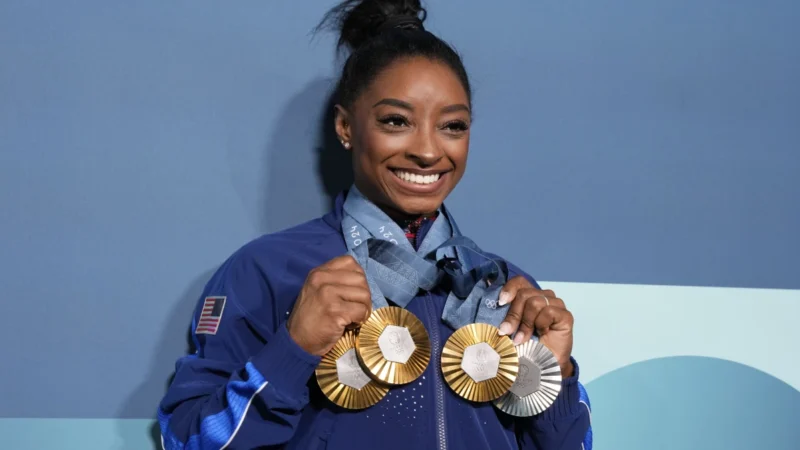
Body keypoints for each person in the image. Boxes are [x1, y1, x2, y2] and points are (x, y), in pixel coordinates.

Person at [157, 0, 592, 448]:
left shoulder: (505, 287)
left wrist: (555, 377)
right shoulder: (268, 271)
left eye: (453, 126)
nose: (428, 151)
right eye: (396, 121)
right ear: (346, 127)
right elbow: (188, 439)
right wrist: (292, 350)